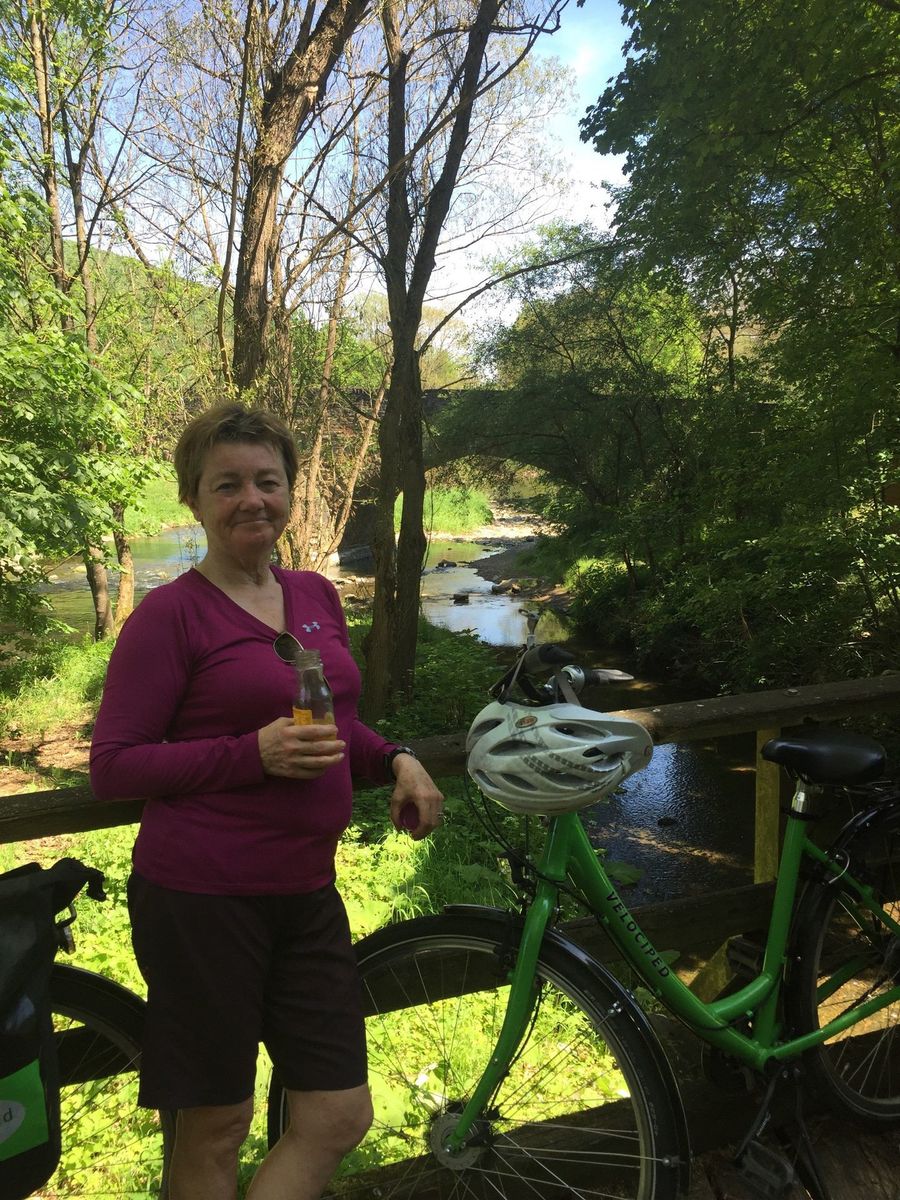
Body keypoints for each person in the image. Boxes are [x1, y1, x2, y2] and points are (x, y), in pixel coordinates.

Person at [89, 404, 444, 1200]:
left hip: (306, 893)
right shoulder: (170, 616)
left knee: (338, 1113)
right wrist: (249, 754)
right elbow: (112, 767)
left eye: (267, 481)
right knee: (215, 1125)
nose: (252, 499)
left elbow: (333, 724)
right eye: (227, 485)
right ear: (194, 499)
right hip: (201, 901)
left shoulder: (314, 594)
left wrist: (397, 758)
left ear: (289, 491)